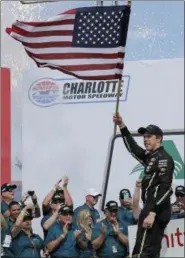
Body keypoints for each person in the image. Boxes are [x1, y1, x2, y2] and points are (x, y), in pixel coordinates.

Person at [113, 113, 174, 258]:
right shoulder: (150, 157)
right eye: (144, 137)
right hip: (153, 207)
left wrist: (152, 212)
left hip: (155, 208)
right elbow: (133, 148)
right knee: (151, 252)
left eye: (149, 136)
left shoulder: (164, 158)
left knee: (141, 252)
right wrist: (122, 126)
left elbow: (165, 188)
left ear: (159, 138)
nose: (145, 140)